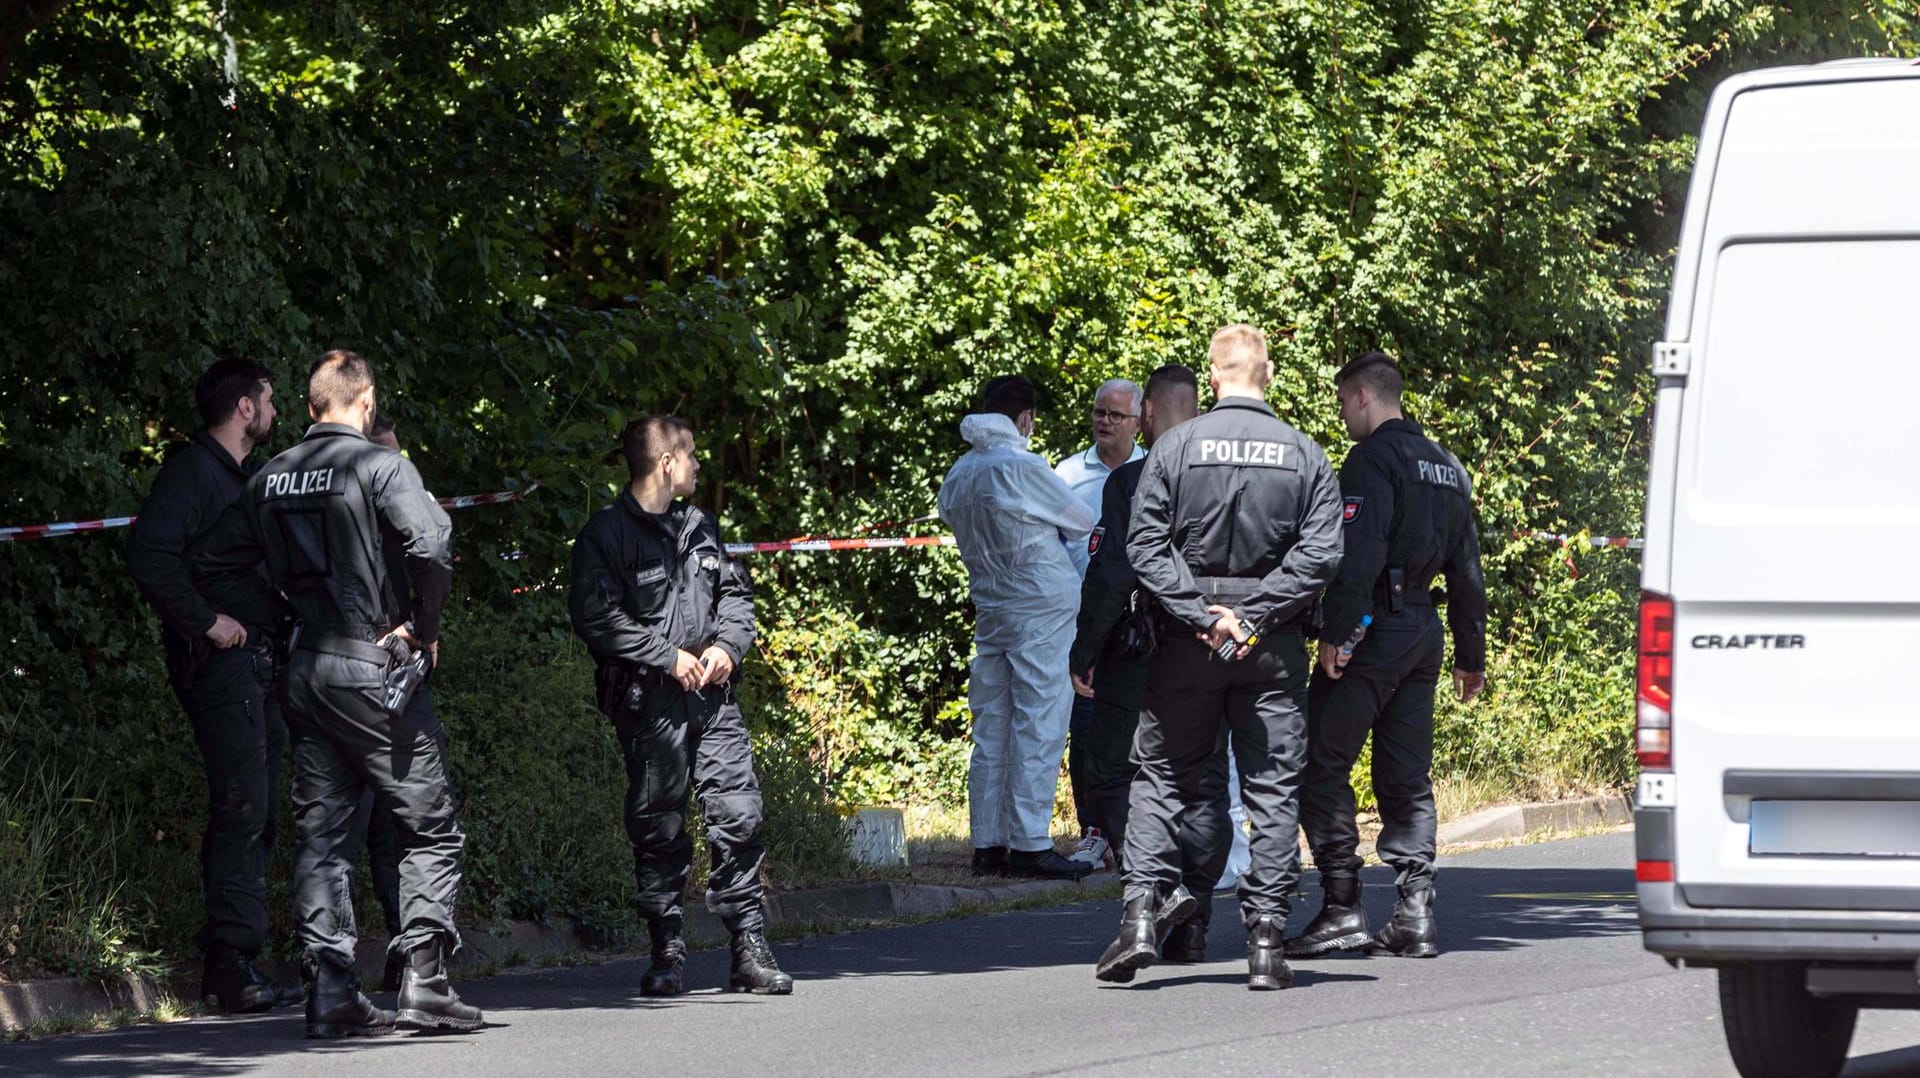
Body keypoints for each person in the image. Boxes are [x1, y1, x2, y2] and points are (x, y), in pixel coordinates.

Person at [196, 350, 481, 1038]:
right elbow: (433, 541)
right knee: (429, 825)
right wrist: (424, 625)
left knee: (323, 838)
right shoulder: (381, 465)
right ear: (367, 400)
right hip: (375, 664)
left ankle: (331, 989)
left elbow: (211, 560)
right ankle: (425, 981)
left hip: (306, 669)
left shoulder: (268, 477)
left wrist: (280, 613)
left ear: (310, 406)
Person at [1095, 324, 1344, 990]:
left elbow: (1143, 550)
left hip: (1185, 645)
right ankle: (1265, 941)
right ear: (1267, 374)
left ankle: (1141, 918)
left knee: (1160, 779)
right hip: (1271, 648)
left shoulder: (1173, 449)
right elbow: (1321, 554)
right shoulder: (1305, 454)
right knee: (1272, 788)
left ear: (1213, 377)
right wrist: (1253, 616)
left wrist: (1200, 615)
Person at [568, 415, 792, 997]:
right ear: (667, 462)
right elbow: (596, 618)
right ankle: (666, 950)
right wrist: (666, 657)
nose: (698, 466)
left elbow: (736, 599)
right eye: (691, 455)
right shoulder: (606, 535)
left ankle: (749, 947)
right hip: (652, 705)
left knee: (738, 814)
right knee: (657, 825)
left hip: (713, 700)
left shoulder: (701, 527)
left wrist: (727, 647)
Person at [1287, 352, 1487, 961]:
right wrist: (1470, 655)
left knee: (1318, 760)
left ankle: (1342, 905)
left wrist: (1336, 632)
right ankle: (1414, 913)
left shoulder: (1371, 459)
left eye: (1344, 401)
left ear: (1365, 397)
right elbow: (1468, 573)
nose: (1342, 413)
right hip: (1424, 636)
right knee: (1405, 774)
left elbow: (1360, 553)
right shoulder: (1449, 468)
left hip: (1373, 627)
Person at [124, 358, 302, 1014]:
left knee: (260, 808)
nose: (277, 412)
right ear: (246, 409)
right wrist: (208, 622)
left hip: (258, 665)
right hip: (220, 667)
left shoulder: (241, 480)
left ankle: (243, 958)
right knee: (243, 804)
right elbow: (148, 555)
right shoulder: (191, 473)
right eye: (270, 400)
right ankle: (229, 966)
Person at [1068, 363, 1228, 960]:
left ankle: (1156, 891)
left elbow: (1113, 572)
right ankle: (1195, 919)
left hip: (1143, 647)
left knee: (1117, 771)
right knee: (1203, 783)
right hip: (1217, 644)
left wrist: (1084, 651)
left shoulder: (1133, 480)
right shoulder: (1229, 472)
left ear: (1151, 415)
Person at [938, 376, 1098, 881]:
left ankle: (989, 845)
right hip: (1043, 613)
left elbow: (949, 516)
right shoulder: (1023, 467)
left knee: (992, 727)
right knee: (1040, 723)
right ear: (1025, 419)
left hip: (993, 611)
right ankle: (1030, 844)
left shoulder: (961, 473)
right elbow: (1079, 519)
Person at [340, 411, 451, 993]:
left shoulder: (400, 493)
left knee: (396, 829)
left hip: (389, 677)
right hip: (367, 672)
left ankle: (401, 954)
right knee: (359, 829)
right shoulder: (353, 504)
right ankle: (385, 973)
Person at [1055, 378, 1147, 871]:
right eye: (1098, 412)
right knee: (1086, 735)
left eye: (1115, 415)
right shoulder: (1068, 475)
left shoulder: (1156, 471)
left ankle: (1135, 837)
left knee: (1135, 739)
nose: (1104, 422)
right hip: (1082, 623)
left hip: (1139, 631)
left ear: (1139, 421)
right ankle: (1095, 831)